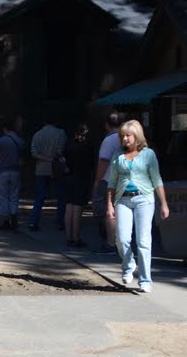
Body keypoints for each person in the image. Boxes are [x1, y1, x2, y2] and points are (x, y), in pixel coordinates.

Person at [105, 120, 170, 293]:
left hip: (144, 199)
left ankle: (145, 279)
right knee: (122, 238)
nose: (125, 139)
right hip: (122, 200)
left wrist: (164, 203)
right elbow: (111, 182)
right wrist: (109, 205)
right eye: (122, 136)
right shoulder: (117, 155)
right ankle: (128, 266)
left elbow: (157, 180)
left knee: (143, 241)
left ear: (137, 136)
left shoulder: (148, 154)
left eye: (128, 135)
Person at [28, 116, 67, 231]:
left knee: (39, 196)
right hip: (56, 168)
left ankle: (34, 222)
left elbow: (34, 153)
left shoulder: (37, 135)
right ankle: (60, 222)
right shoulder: (61, 133)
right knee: (60, 196)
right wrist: (52, 158)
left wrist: (45, 158)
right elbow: (61, 151)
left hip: (41, 168)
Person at [92, 112, 123, 254]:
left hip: (108, 179)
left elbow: (103, 161)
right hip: (123, 180)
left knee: (109, 212)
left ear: (107, 125)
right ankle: (120, 242)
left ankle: (111, 243)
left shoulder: (109, 140)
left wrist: (97, 181)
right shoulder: (126, 138)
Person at [0, 120, 25, 230]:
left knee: (2, 196)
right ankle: (14, 215)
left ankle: (5, 221)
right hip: (15, 171)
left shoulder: (1, 140)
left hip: (2, 171)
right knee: (14, 195)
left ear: (5, 129)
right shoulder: (20, 141)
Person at [62, 124, 93, 247]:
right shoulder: (87, 147)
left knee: (69, 207)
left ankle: (68, 237)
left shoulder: (68, 145)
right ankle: (76, 237)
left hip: (68, 176)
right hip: (81, 178)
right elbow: (91, 164)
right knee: (78, 208)